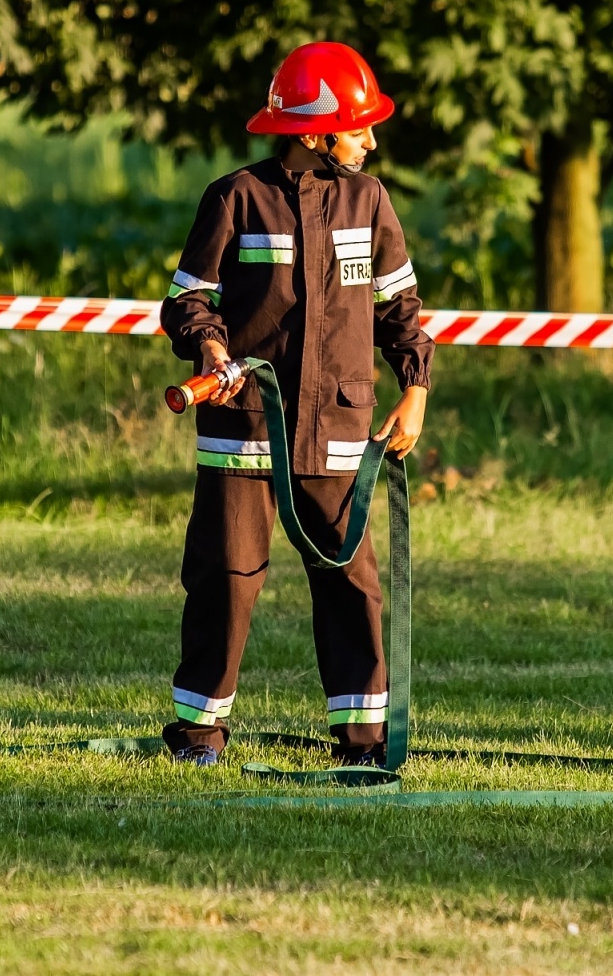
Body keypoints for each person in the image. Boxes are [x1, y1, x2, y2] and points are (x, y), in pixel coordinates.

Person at [159, 41, 435, 767]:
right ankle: (198, 736)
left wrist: (416, 388)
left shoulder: (369, 201)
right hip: (246, 432)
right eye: (359, 126)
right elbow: (189, 299)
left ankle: (365, 743)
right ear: (314, 132)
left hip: (338, 432)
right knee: (226, 579)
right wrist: (211, 349)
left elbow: (399, 309)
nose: (371, 140)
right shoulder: (234, 198)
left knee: (351, 584)